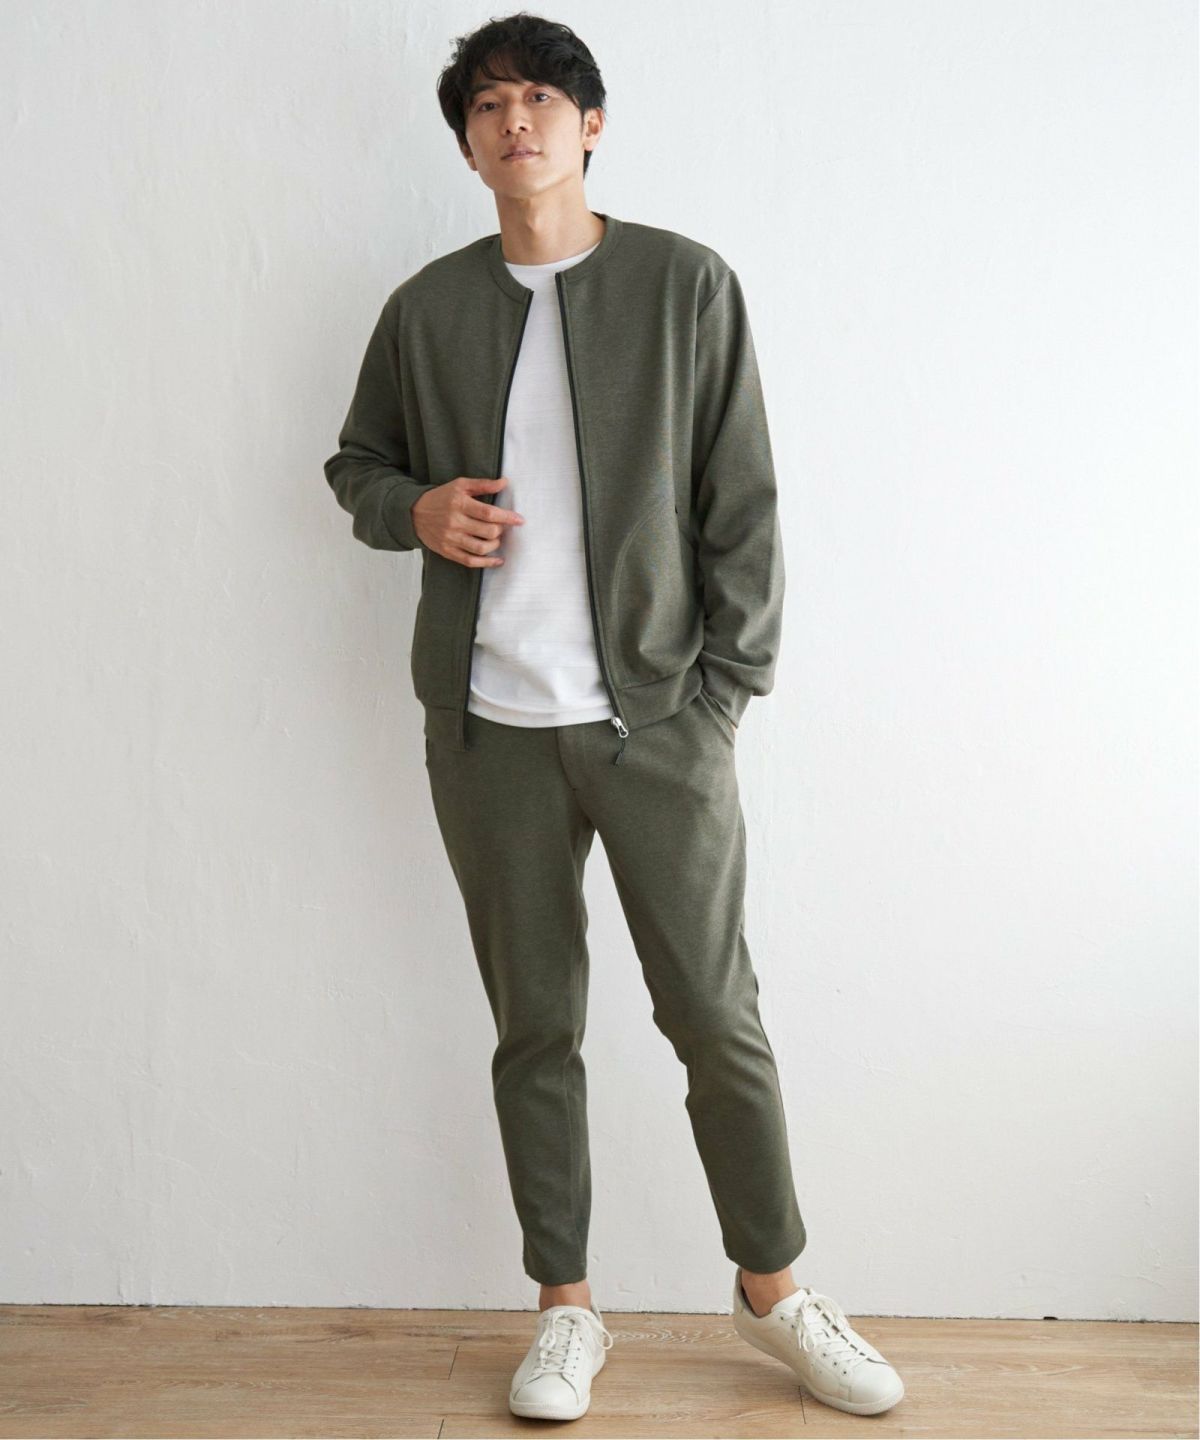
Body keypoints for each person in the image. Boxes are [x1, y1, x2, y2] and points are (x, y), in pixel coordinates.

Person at [323, 11, 905, 1423]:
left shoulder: (685, 285)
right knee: (535, 1027)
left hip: (659, 727)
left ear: (590, 125)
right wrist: (416, 509)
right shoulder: (427, 310)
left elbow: (742, 506)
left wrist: (722, 694)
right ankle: (566, 1310)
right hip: (487, 734)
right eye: (487, 105)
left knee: (714, 1016)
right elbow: (356, 467)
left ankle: (776, 1290)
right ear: (468, 146)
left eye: (541, 97)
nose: (514, 120)